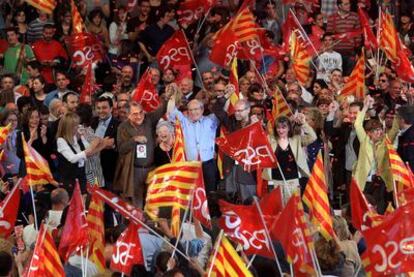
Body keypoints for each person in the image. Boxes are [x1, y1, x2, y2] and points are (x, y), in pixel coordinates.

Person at [113, 90, 171, 208]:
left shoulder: (148, 119)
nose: (139, 116)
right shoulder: (122, 127)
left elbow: (161, 110)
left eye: (141, 112)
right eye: (135, 114)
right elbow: (121, 149)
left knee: (152, 200)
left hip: (151, 168)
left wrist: (166, 97)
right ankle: (138, 226)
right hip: (134, 171)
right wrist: (134, 139)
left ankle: (151, 225)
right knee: (137, 202)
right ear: (128, 114)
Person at [168, 96, 219, 193]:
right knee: (192, 194)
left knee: (210, 193)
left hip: (208, 164)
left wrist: (225, 96)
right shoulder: (184, 121)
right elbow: (171, 112)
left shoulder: (211, 120)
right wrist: (172, 96)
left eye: (196, 109)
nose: (193, 112)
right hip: (191, 165)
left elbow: (223, 111)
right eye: (190, 110)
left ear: (202, 109)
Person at [264, 114, 317, 203]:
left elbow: (313, 137)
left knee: (293, 207)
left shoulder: (296, 139)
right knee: (277, 209)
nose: (281, 130)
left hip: (292, 180)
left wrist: (304, 123)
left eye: (284, 127)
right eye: (278, 128)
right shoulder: (270, 139)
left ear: (289, 128)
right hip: (275, 180)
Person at [55, 112, 105, 194]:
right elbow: (72, 158)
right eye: (75, 125)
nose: (78, 127)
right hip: (69, 181)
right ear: (68, 127)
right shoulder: (61, 140)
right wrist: (94, 144)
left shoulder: (76, 137)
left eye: (78, 124)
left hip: (81, 178)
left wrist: (101, 145)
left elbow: (88, 150)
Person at [91, 96, 119, 187]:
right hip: (92, 170)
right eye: (98, 108)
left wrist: (112, 145)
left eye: (104, 107)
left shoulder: (118, 125)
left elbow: (116, 145)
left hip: (109, 171)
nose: (101, 111)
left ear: (111, 109)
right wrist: (103, 143)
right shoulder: (92, 122)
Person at [397, 105, 414, 171]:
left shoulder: (410, 138)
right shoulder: (407, 134)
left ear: (402, 120)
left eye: (397, 118)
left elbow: (410, 161)